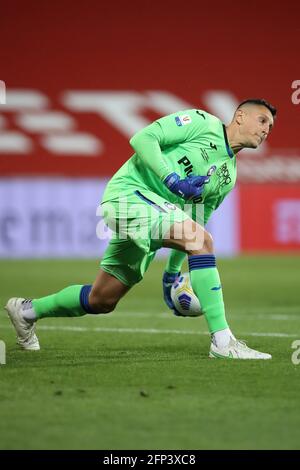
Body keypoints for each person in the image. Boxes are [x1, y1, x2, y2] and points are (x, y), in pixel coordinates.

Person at [5, 98, 276, 359]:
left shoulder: (228, 175)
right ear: (240, 116)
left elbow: (197, 219)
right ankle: (223, 341)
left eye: (271, 127)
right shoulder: (201, 122)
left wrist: (171, 274)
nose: (266, 129)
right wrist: (171, 180)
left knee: (103, 299)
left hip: (154, 215)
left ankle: (27, 311)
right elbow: (142, 139)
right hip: (129, 196)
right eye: (262, 120)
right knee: (200, 240)